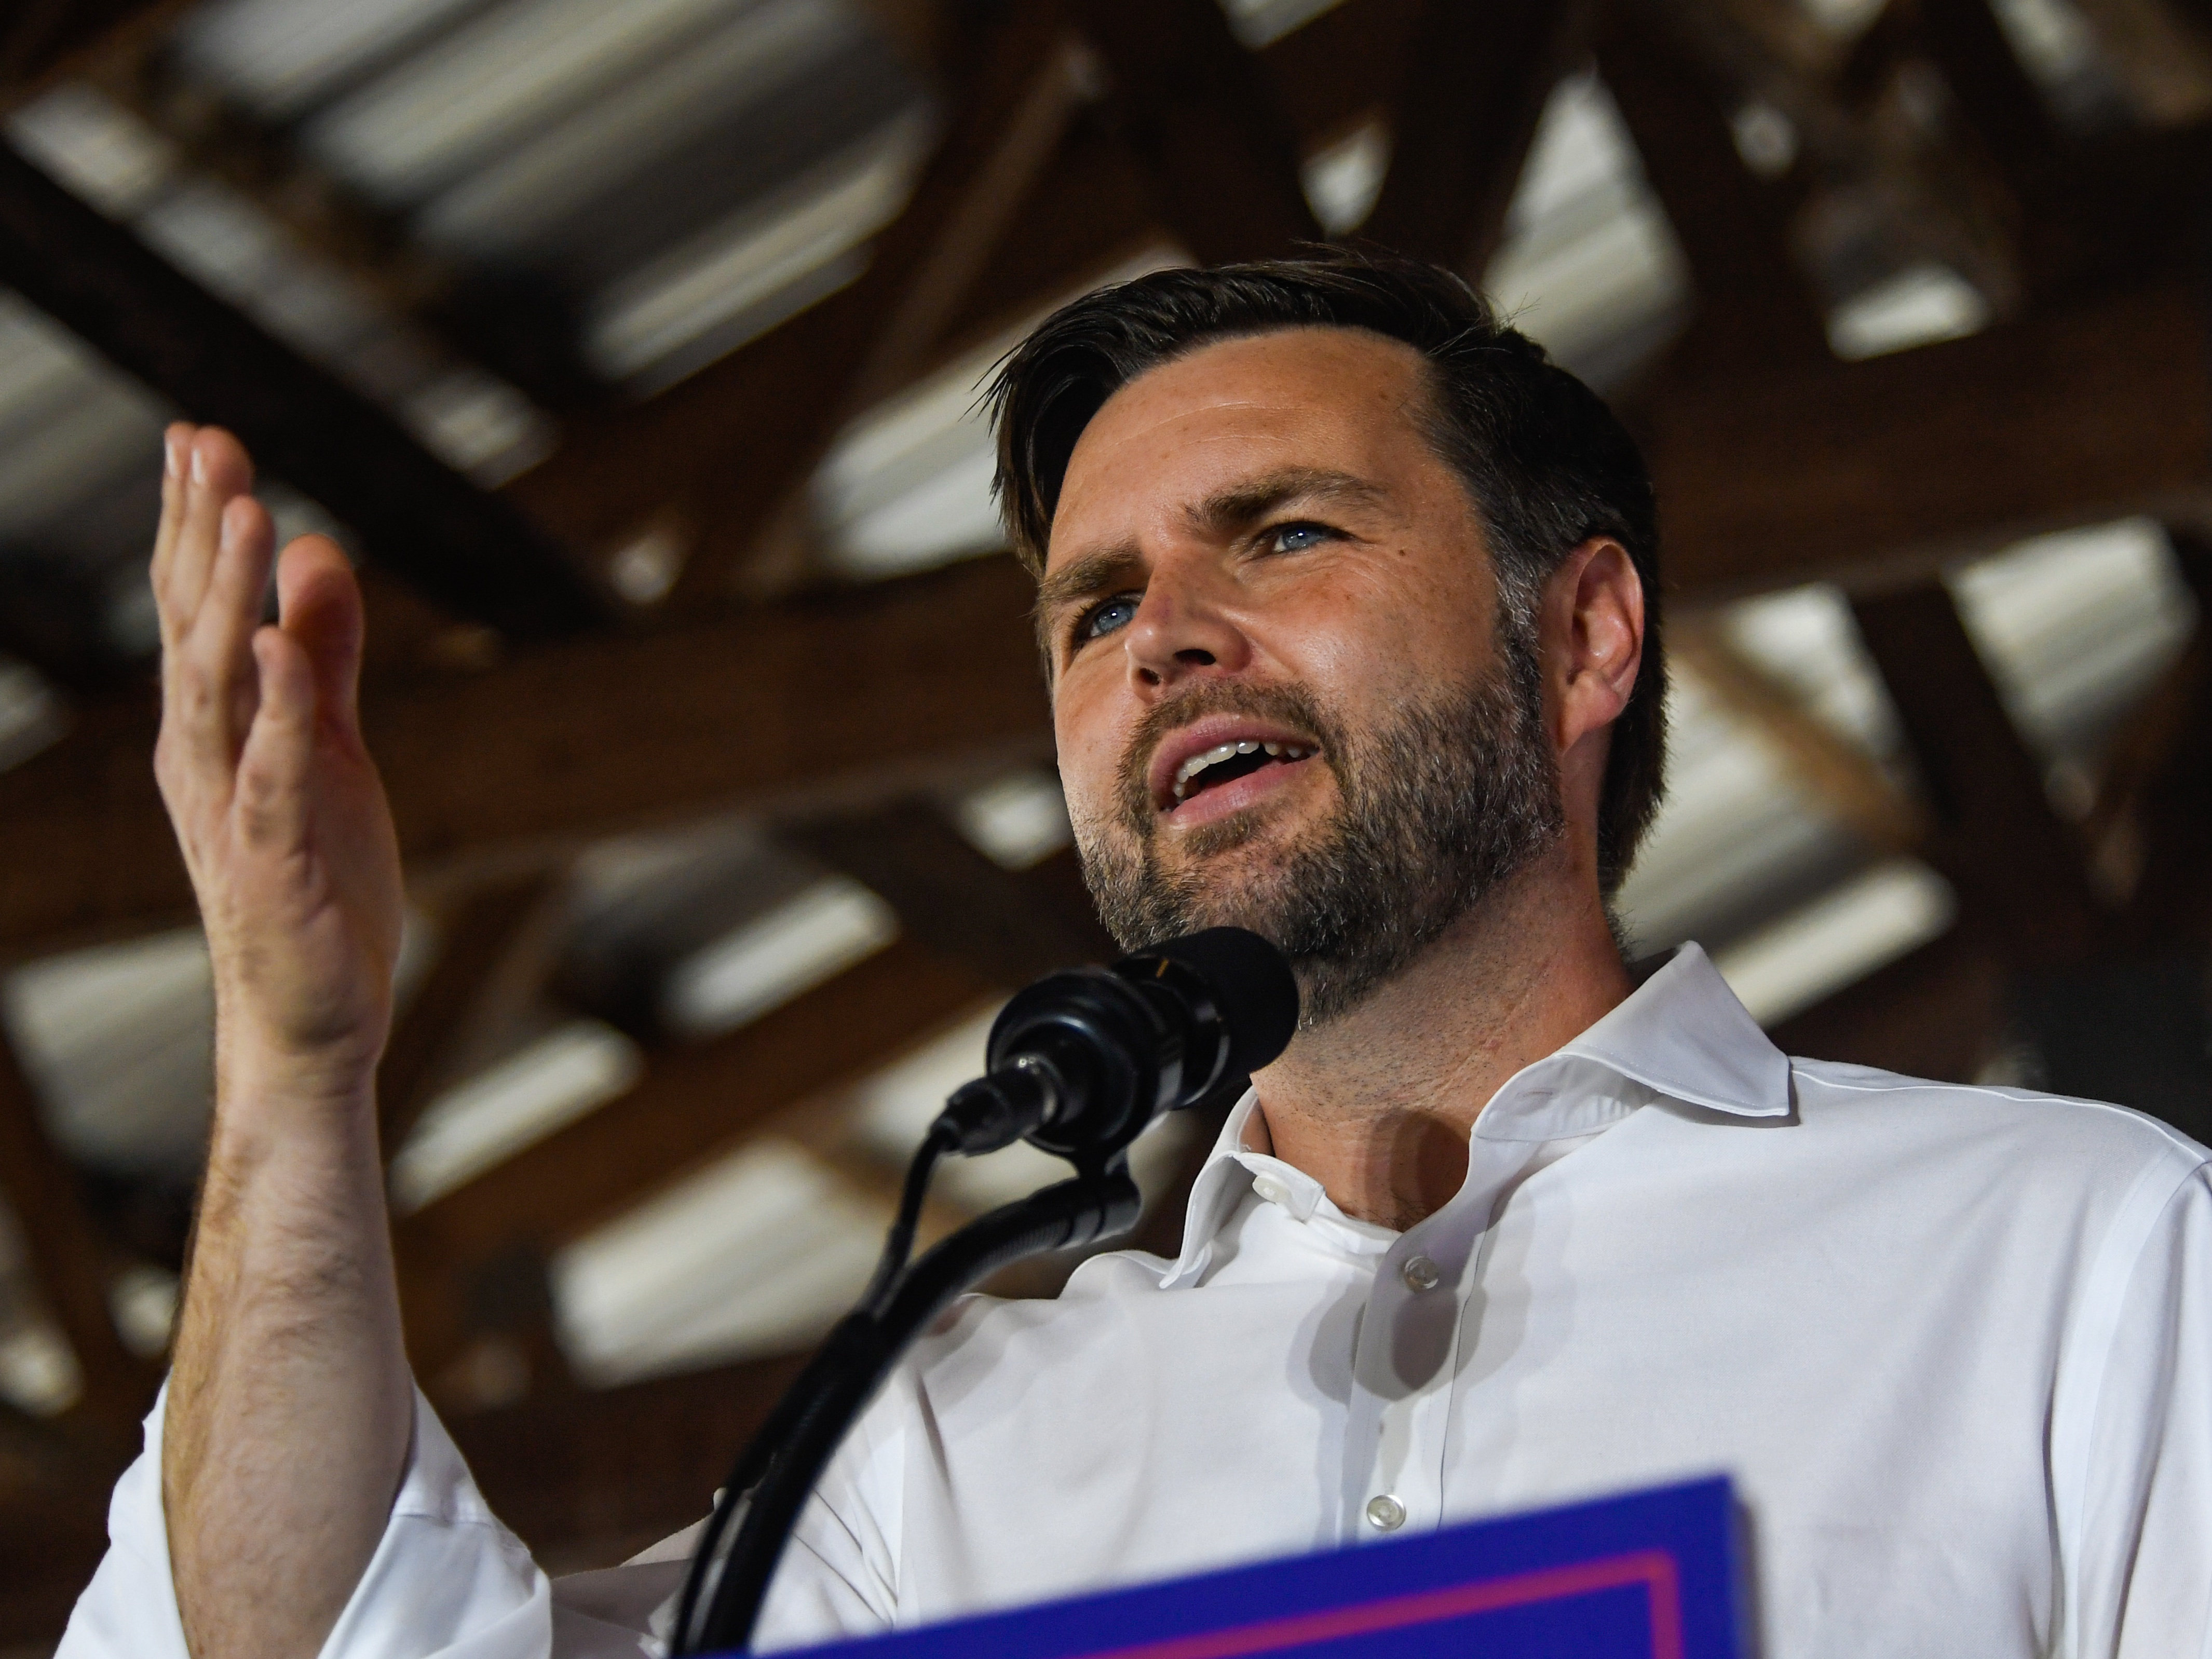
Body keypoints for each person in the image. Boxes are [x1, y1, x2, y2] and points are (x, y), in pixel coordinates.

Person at [61, 252, 2210, 1659]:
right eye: (1093, 608)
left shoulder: (2067, 1261)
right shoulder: (936, 1462)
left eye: (1282, 531)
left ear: (1583, 635)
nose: (1164, 634)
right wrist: (292, 1061)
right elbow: (305, 1635)